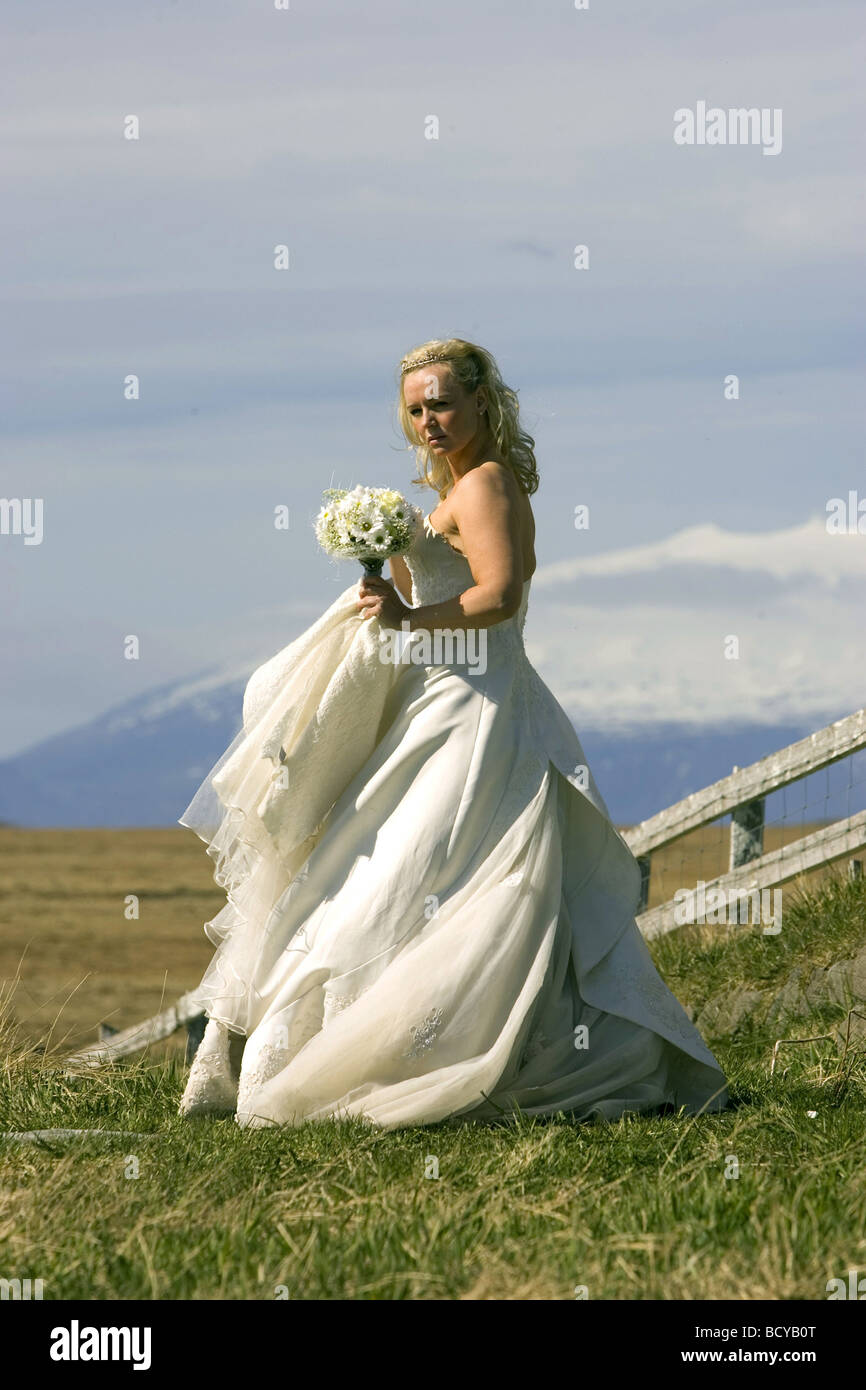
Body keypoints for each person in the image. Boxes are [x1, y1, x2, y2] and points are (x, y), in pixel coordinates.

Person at [178, 337, 729, 1130]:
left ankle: (465, 1055)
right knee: (372, 868)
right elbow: (437, 591)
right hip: (431, 699)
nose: (429, 420)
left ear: (479, 401)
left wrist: (410, 616)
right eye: (414, 409)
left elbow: (500, 594)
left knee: (430, 866)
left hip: (481, 704)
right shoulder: (454, 490)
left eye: (441, 402)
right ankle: (387, 1044)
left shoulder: (489, 483)